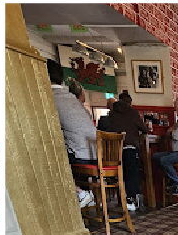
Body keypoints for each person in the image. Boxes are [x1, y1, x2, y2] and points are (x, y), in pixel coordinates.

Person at [46, 59, 97, 207]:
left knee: (48, 159)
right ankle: (88, 194)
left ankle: (80, 193)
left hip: (80, 155)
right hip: (96, 153)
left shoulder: (50, 98)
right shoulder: (72, 98)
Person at [97, 90, 147, 211]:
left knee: (124, 169)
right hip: (128, 151)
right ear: (130, 103)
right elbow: (144, 129)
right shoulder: (133, 113)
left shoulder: (111, 114)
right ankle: (131, 198)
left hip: (112, 156)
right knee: (133, 168)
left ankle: (122, 198)